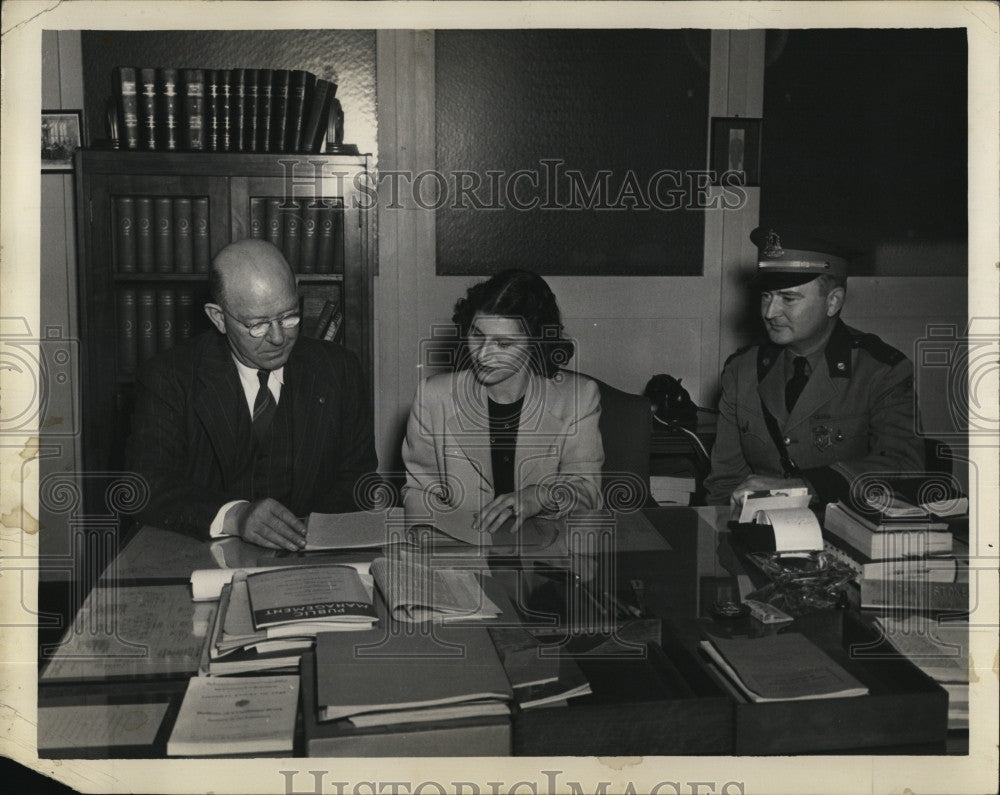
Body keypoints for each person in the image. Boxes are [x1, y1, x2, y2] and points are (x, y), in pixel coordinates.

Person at [127, 239, 378, 549]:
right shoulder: (170, 378)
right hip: (206, 556)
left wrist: (307, 535)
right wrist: (236, 516)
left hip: (313, 558)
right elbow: (144, 487)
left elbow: (359, 480)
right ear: (218, 317)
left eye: (289, 317)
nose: (278, 338)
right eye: (257, 325)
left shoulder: (341, 370)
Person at [704, 227, 924, 506]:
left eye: (788, 298)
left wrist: (805, 487)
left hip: (846, 530)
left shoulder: (882, 371)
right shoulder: (743, 370)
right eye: (766, 296)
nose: (769, 313)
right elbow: (724, 484)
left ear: (833, 301)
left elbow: (905, 468)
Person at [401, 269, 604, 533]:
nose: (483, 355)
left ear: (535, 343)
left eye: (504, 344)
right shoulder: (432, 397)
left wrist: (539, 496)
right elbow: (419, 491)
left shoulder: (579, 398)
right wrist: (431, 540)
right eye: (477, 335)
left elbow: (587, 491)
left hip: (545, 558)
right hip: (460, 555)